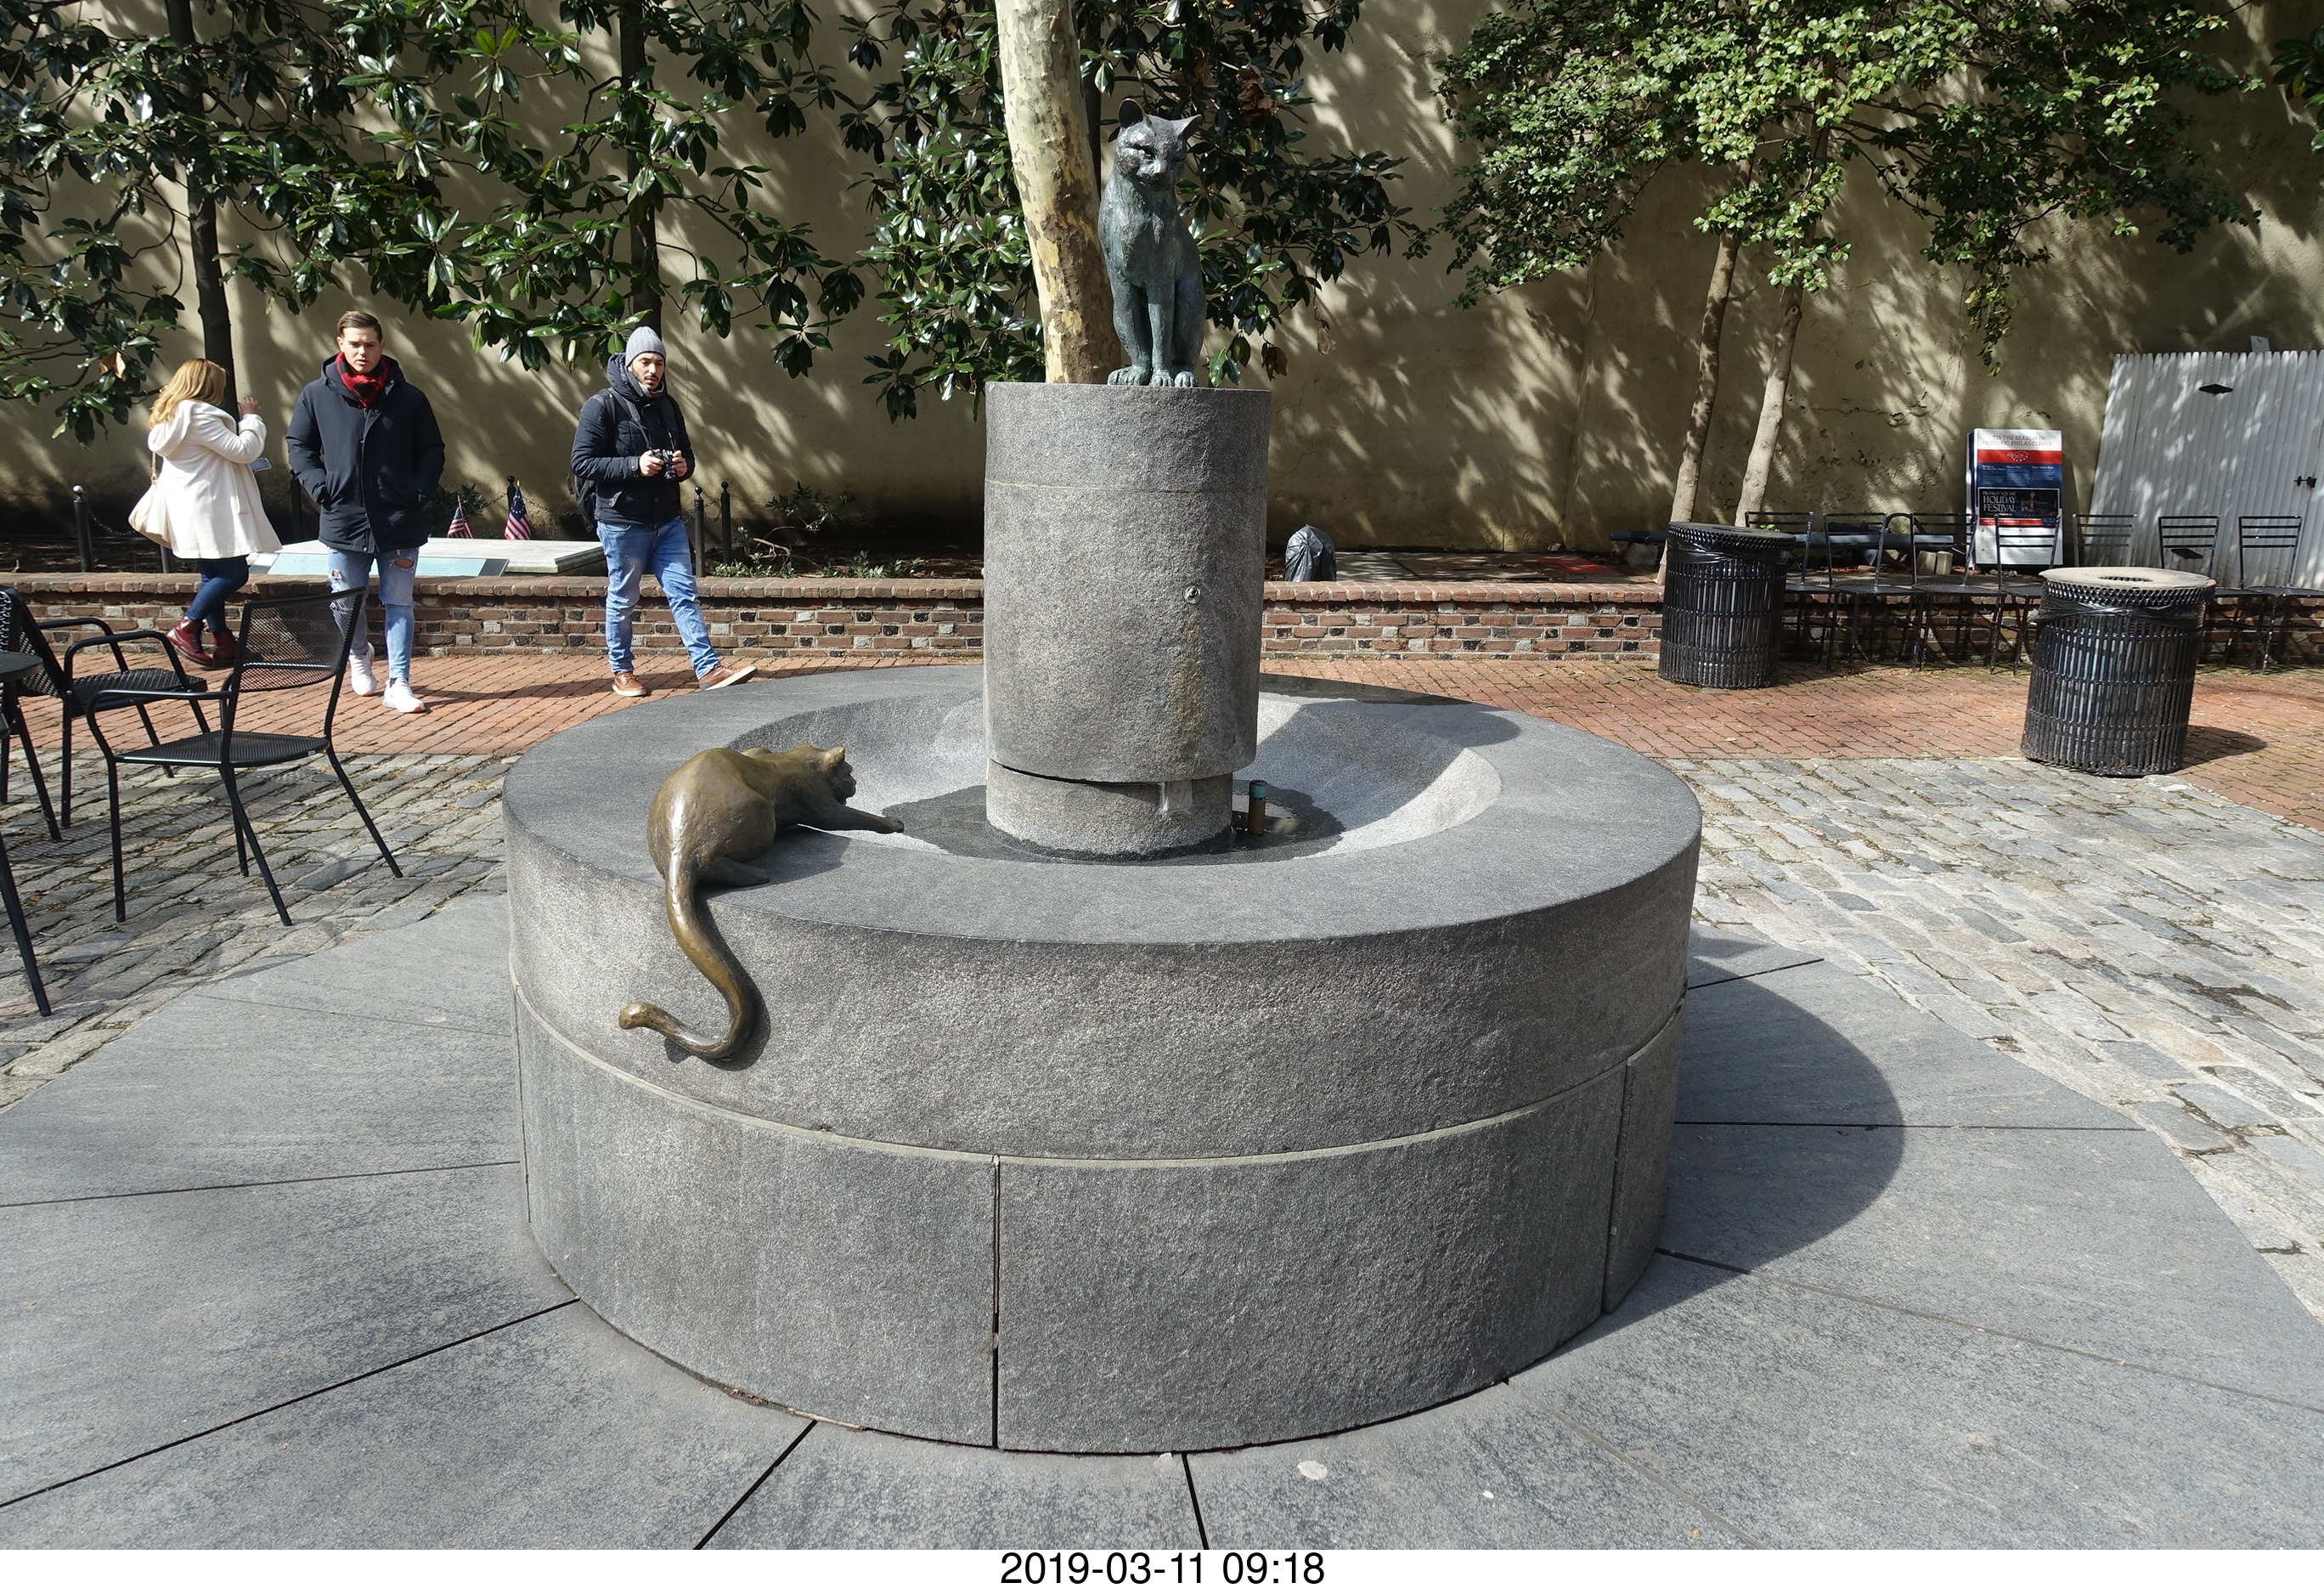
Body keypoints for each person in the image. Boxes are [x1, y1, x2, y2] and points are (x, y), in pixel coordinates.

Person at [571, 325, 754, 698]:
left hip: (666, 520)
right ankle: (622, 671)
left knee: (685, 594)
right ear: (629, 364)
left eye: (659, 363)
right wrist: (633, 465)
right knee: (624, 599)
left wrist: (684, 467)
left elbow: (688, 455)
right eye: (645, 362)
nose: (653, 370)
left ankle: (708, 668)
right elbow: (582, 462)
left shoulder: (668, 406)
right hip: (623, 522)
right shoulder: (602, 405)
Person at [285, 309, 444, 715]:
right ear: (340, 344)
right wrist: (321, 488)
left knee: (400, 601)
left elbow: (431, 451)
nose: (362, 352)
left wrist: (417, 492)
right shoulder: (317, 394)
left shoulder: (408, 398)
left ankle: (399, 681)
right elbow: (299, 446)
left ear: (382, 346)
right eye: (355, 344)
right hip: (343, 515)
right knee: (344, 601)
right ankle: (359, 654)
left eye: (370, 344)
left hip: (398, 517)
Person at [146, 359, 280, 666]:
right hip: (212, 507)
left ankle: (224, 643)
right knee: (234, 573)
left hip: (191, 506)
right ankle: (186, 627)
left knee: (212, 576)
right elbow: (244, 451)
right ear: (208, 386)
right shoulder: (199, 416)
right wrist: (252, 419)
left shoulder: (170, 417)